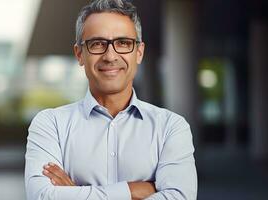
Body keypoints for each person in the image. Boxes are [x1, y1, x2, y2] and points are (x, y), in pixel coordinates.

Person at [24, 0, 197, 199]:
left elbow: (180, 197)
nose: (110, 55)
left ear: (138, 52)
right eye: (97, 44)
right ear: (80, 54)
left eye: (123, 43)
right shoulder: (50, 124)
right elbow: (42, 197)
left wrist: (74, 193)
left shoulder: (171, 127)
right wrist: (134, 190)